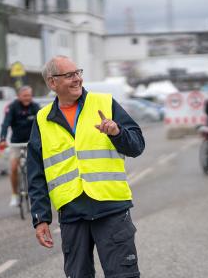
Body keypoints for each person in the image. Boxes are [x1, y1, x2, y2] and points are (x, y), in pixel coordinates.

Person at [27, 55, 145, 278]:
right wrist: (40, 218)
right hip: (72, 214)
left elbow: (137, 146)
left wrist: (117, 133)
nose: (77, 79)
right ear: (53, 83)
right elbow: (35, 173)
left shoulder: (105, 103)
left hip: (111, 209)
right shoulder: (42, 119)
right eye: (69, 75)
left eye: (78, 73)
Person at [0, 85, 40, 206]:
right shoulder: (13, 107)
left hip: (32, 142)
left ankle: (38, 194)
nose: (28, 98)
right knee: (13, 168)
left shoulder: (35, 107)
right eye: (25, 95)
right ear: (19, 96)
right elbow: (5, 124)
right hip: (16, 142)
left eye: (29, 95)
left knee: (37, 167)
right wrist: (2, 139)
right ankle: (14, 194)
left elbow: (42, 123)